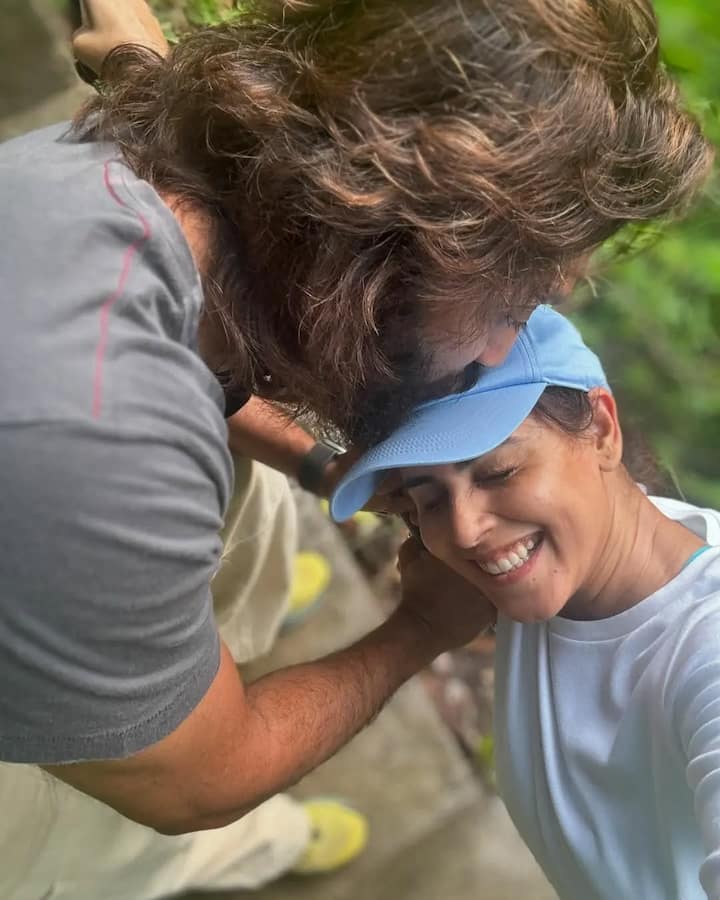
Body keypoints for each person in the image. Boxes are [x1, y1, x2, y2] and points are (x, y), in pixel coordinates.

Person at [0, 0, 712, 895]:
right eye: (510, 296)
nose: (506, 343)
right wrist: (420, 627)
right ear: (388, 240)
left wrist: (323, 466)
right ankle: (267, 846)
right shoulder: (90, 438)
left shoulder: (166, 183)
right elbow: (188, 778)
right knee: (92, 844)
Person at [331, 306, 720, 900]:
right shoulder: (568, 555)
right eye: (428, 500)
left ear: (602, 431)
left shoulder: (706, 645)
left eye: (498, 472)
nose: (463, 531)